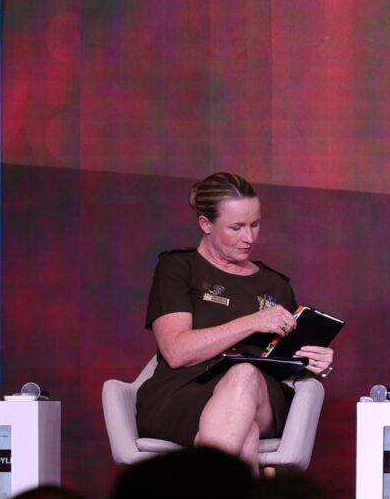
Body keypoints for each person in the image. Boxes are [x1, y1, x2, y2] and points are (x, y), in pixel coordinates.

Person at [136, 172, 336, 465]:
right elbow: (177, 352)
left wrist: (316, 362)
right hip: (183, 393)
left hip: (261, 394)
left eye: (255, 224)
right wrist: (253, 321)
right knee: (244, 431)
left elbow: (287, 361)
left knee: (244, 375)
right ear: (205, 224)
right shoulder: (178, 267)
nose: (249, 238)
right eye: (236, 227)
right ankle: (230, 495)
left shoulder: (276, 284)